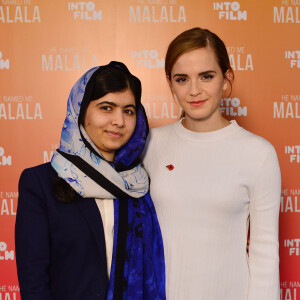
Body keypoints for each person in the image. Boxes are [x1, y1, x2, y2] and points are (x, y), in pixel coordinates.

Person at [142, 28, 281, 299]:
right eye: (182, 79)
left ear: (226, 79)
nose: (194, 90)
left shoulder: (259, 154)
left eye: (206, 76)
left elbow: (265, 254)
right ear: (170, 83)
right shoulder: (150, 144)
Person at [15, 61, 165, 300]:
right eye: (106, 108)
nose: (119, 121)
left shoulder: (139, 184)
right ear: (81, 110)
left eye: (128, 111)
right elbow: (34, 283)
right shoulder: (40, 182)